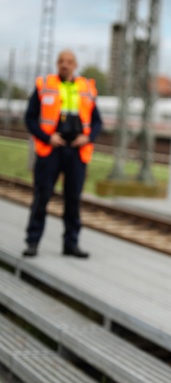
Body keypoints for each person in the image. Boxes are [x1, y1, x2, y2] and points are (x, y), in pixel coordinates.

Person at [22, 49, 103, 259]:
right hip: (51, 150)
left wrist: (88, 137)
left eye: (68, 62)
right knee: (42, 196)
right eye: (61, 61)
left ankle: (71, 244)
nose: (64, 65)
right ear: (57, 64)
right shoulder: (45, 86)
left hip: (76, 151)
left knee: (73, 199)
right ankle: (33, 241)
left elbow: (97, 121)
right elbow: (30, 118)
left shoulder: (85, 88)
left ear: (75, 65)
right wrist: (47, 138)